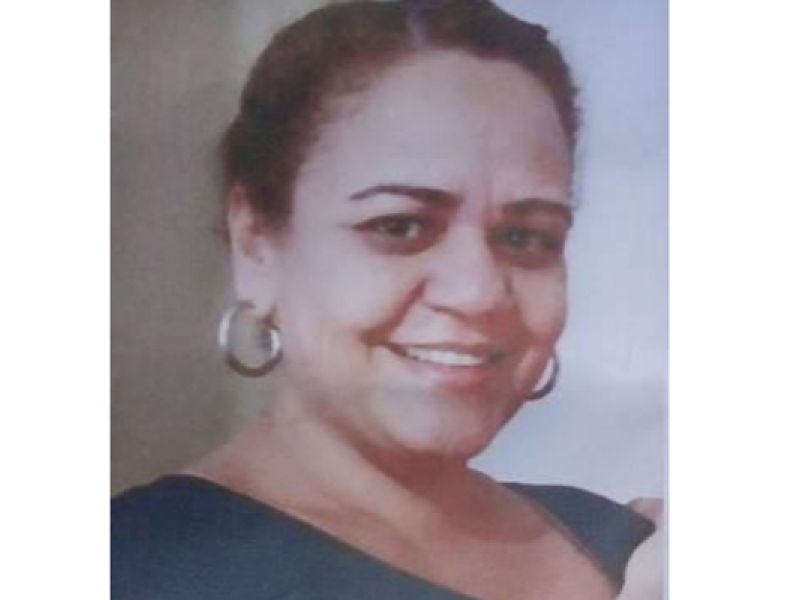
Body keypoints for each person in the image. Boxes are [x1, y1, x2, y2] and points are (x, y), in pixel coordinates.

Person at [112, 1, 661, 598]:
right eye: (400, 226)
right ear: (257, 243)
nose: (478, 293)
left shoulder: (629, 544)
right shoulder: (137, 568)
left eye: (526, 238)